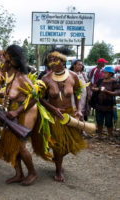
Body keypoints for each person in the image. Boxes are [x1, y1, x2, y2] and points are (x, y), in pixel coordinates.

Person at [41, 51, 87, 182]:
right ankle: (58, 171)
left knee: (71, 143)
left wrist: (79, 110)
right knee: (58, 144)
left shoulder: (73, 76)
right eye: (50, 60)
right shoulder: (46, 79)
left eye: (55, 60)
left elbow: (77, 93)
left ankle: (58, 158)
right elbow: (40, 98)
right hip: (55, 116)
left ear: (63, 62)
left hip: (70, 114)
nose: (51, 63)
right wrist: (53, 108)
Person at [0, 45, 38, 185]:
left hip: (24, 111)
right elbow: (9, 94)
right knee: (11, 143)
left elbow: (34, 97)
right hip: (11, 113)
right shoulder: (10, 77)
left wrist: (16, 112)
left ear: (10, 62)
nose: (1, 63)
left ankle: (32, 173)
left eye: (4, 60)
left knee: (20, 145)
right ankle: (19, 174)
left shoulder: (22, 77)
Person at [92, 66, 120, 140]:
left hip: (109, 106)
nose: (103, 74)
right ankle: (99, 135)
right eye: (103, 72)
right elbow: (94, 87)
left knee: (108, 121)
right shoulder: (100, 81)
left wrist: (106, 91)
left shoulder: (114, 82)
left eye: (105, 73)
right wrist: (95, 89)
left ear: (111, 74)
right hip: (99, 105)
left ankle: (110, 135)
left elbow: (117, 92)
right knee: (99, 120)